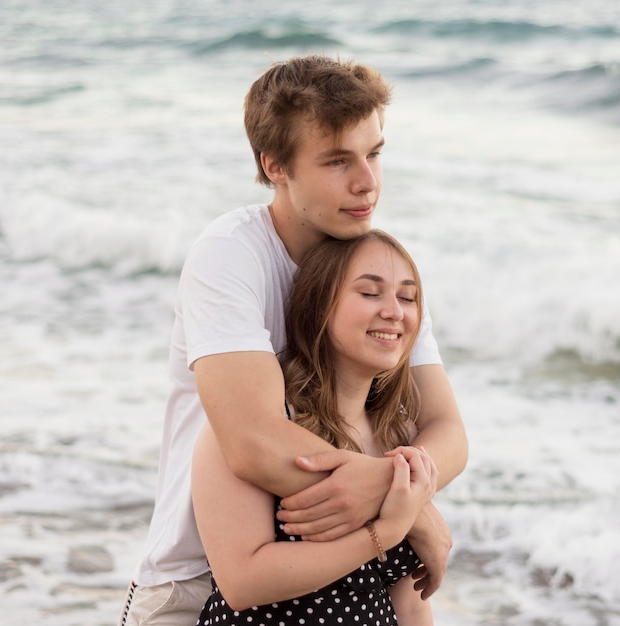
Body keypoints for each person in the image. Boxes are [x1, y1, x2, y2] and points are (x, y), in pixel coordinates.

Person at [120, 54, 467, 626]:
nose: (368, 182)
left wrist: (402, 494)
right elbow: (253, 443)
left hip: (334, 575)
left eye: (374, 153)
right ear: (274, 164)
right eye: (337, 160)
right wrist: (408, 505)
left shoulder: (379, 273)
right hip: (195, 578)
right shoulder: (232, 254)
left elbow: (448, 432)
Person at [193, 230, 440, 626]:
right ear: (320, 304)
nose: (395, 311)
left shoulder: (399, 437)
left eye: (407, 297)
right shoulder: (263, 426)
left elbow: (410, 605)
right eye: (370, 293)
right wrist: (383, 533)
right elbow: (242, 581)